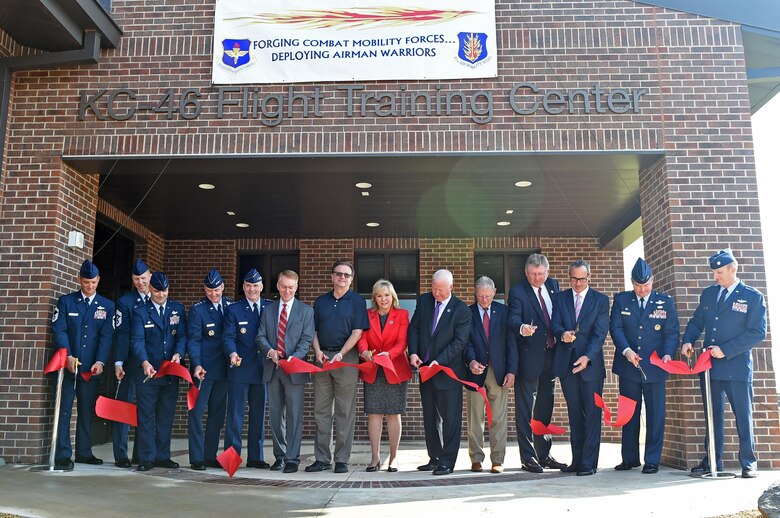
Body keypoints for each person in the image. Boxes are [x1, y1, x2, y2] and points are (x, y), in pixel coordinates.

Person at [681, 249, 767, 479]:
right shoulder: (709, 294)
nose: (715, 276)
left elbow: (758, 332)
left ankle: (749, 463)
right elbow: (697, 321)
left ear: (733, 269)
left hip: (737, 368)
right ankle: (712, 461)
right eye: (713, 272)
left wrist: (726, 350)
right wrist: (688, 340)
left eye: (719, 272)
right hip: (711, 369)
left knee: (743, 415)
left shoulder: (752, 296)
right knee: (713, 415)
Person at [609, 258, 679, 474]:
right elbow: (616, 328)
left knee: (656, 414)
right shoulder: (622, 300)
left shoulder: (665, 302)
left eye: (646, 285)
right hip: (628, 365)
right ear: (632, 282)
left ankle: (652, 459)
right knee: (629, 413)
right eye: (638, 285)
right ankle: (630, 458)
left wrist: (668, 354)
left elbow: (671, 332)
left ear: (652, 281)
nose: (642, 289)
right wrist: (627, 351)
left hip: (656, 368)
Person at [51, 259, 115, 470]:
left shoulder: (107, 306)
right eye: (86, 282)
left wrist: (100, 361)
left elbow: (106, 337)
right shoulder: (66, 302)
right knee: (65, 411)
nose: (90, 286)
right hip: (68, 367)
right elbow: (60, 330)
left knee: (87, 411)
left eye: (93, 282)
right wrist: (66, 355)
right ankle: (62, 455)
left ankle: (84, 452)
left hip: (90, 369)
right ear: (79, 280)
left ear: (98, 280)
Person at [307, 260, 369, 474]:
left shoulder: (357, 301)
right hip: (322, 357)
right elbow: (313, 331)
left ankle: (342, 459)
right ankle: (322, 458)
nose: (342, 277)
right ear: (332, 277)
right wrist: (317, 352)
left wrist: (341, 354)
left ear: (351, 279)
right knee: (321, 411)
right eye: (339, 274)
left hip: (346, 358)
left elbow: (357, 332)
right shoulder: (321, 301)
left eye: (346, 275)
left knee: (344, 411)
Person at [408, 269, 472, 476]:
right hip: (425, 369)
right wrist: (414, 352)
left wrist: (439, 361)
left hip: (448, 372)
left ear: (451, 287)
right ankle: (434, 457)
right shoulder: (424, 301)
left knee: (450, 418)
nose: (436, 294)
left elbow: (459, 343)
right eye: (434, 289)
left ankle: (447, 461)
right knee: (429, 417)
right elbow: (414, 328)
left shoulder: (462, 310)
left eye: (441, 290)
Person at [508, 253, 567, 473]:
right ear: (526, 273)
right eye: (533, 274)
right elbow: (512, 317)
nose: (537, 278)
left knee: (545, 409)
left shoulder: (553, 286)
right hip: (529, 360)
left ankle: (544, 454)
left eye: (541, 274)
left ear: (547, 273)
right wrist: (521, 328)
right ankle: (528, 457)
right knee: (526, 411)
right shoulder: (518, 291)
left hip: (552, 358)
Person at [551, 259, 609, 476]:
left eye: (582, 279)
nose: (577, 283)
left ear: (589, 277)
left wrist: (587, 357)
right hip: (567, 364)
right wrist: (561, 334)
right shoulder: (560, 298)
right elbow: (554, 324)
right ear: (569, 277)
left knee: (592, 414)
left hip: (590, 365)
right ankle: (577, 460)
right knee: (574, 414)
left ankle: (589, 463)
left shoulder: (600, 300)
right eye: (574, 279)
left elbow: (600, 333)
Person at [256, 270, 315, 473]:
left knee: (294, 415)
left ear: (296, 287)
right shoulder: (268, 310)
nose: (287, 290)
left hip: (294, 370)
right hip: (272, 369)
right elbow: (260, 336)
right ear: (278, 286)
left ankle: (292, 458)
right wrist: (270, 351)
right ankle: (279, 456)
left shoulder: (306, 311)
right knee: (275, 415)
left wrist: (294, 357)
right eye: (284, 286)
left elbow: (307, 340)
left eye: (291, 287)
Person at [131, 271, 187, 472]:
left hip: (170, 372)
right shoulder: (140, 311)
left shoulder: (177, 309)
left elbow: (182, 337)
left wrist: (179, 354)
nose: (161, 295)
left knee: (166, 415)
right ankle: (146, 457)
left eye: (164, 291)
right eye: (156, 291)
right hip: (148, 373)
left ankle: (163, 456)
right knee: (146, 416)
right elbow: (137, 341)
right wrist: (144, 362)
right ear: (150, 289)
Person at [357, 279, 412, 473]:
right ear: (374, 298)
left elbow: (402, 342)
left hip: (394, 368)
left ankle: (394, 458)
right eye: (379, 295)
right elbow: (362, 340)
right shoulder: (367, 315)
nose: (383, 299)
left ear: (393, 296)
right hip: (373, 369)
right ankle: (375, 458)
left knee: (393, 413)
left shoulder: (402, 315)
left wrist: (388, 354)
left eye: (387, 295)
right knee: (374, 413)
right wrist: (364, 353)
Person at [463, 276, 517, 474]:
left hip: (499, 371)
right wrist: (471, 361)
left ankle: (498, 460)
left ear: (494, 292)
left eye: (487, 295)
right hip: (475, 371)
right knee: (475, 417)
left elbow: (511, 343)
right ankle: (476, 458)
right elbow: (466, 342)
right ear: (475, 293)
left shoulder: (504, 312)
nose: (484, 300)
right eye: (480, 296)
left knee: (499, 418)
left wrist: (511, 371)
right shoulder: (467, 313)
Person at [223, 269, 272, 470]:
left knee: (258, 416)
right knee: (235, 416)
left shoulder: (270, 307)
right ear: (243, 287)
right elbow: (228, 337)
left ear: (261, 287)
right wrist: (232, 353)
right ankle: (231, 460)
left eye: (255, 285)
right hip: (240, 368)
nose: (252, 289)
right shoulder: (234, 310)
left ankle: (256, 458)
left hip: (262, 369)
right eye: (248, 285)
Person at [186, 268, 234, 470]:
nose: (213, 294)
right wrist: (196, 363)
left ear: (222, 287)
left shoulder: (231, 305)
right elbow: (194, 340)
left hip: (224, 370)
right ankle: (197, 458)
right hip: (203, 370)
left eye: (216, 290)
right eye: (209, 290)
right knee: (196, 413)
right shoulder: (198, 310)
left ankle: (209, 455)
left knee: (217, 414)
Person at [112, 258, 152, 468]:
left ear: (150, 277)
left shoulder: (157, 299)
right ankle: (121, 454)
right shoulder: (125, 302)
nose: (140, 282)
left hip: (148, 365)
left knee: (145, 411)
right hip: (129, 363)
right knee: (124, 408)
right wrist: (118, 362)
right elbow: (122, 334)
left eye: (143, 278)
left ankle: (140, 454)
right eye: (137, 279)